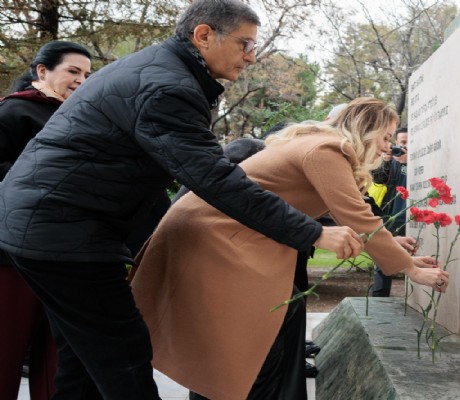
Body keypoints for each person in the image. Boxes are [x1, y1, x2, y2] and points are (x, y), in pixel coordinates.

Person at [0, 1, 362, 398]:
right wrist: (311, 232)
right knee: (124, 357)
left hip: (47, 226)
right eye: (244, 44)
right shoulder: (168, 86)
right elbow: (215, 180)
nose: (252, 56)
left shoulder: (162, 70)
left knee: (84, 360)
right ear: (204, 35)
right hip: (62, 232)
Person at [130, 97, 450, 400]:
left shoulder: (315, 144)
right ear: (365, 128)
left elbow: (332, 211)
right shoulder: (327, 149)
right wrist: (410, 270)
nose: (388, 146)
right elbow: (357, 216)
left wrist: (395, 249)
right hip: (215, 239)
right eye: (385, 136)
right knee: (249, 348)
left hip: (217, 237)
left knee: (244, 346)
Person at [0, 40, 92, 400]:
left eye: (86, 75)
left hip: (66, 254)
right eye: (73, 71)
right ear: (42, 71)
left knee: (57, 360)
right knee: (6, 347)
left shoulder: (80, 118)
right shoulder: (13, 113)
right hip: (12, 256)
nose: (81, 81)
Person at [371, 127, 410, 297]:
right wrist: (386, 160)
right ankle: (379, 297)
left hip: (412, 218)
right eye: (402, 142)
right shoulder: (390, 161)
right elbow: (378, 179)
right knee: (383, 259)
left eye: (409, 143)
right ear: (396, 143)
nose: (404, 147)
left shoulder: (420, 162)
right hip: (391, 217)